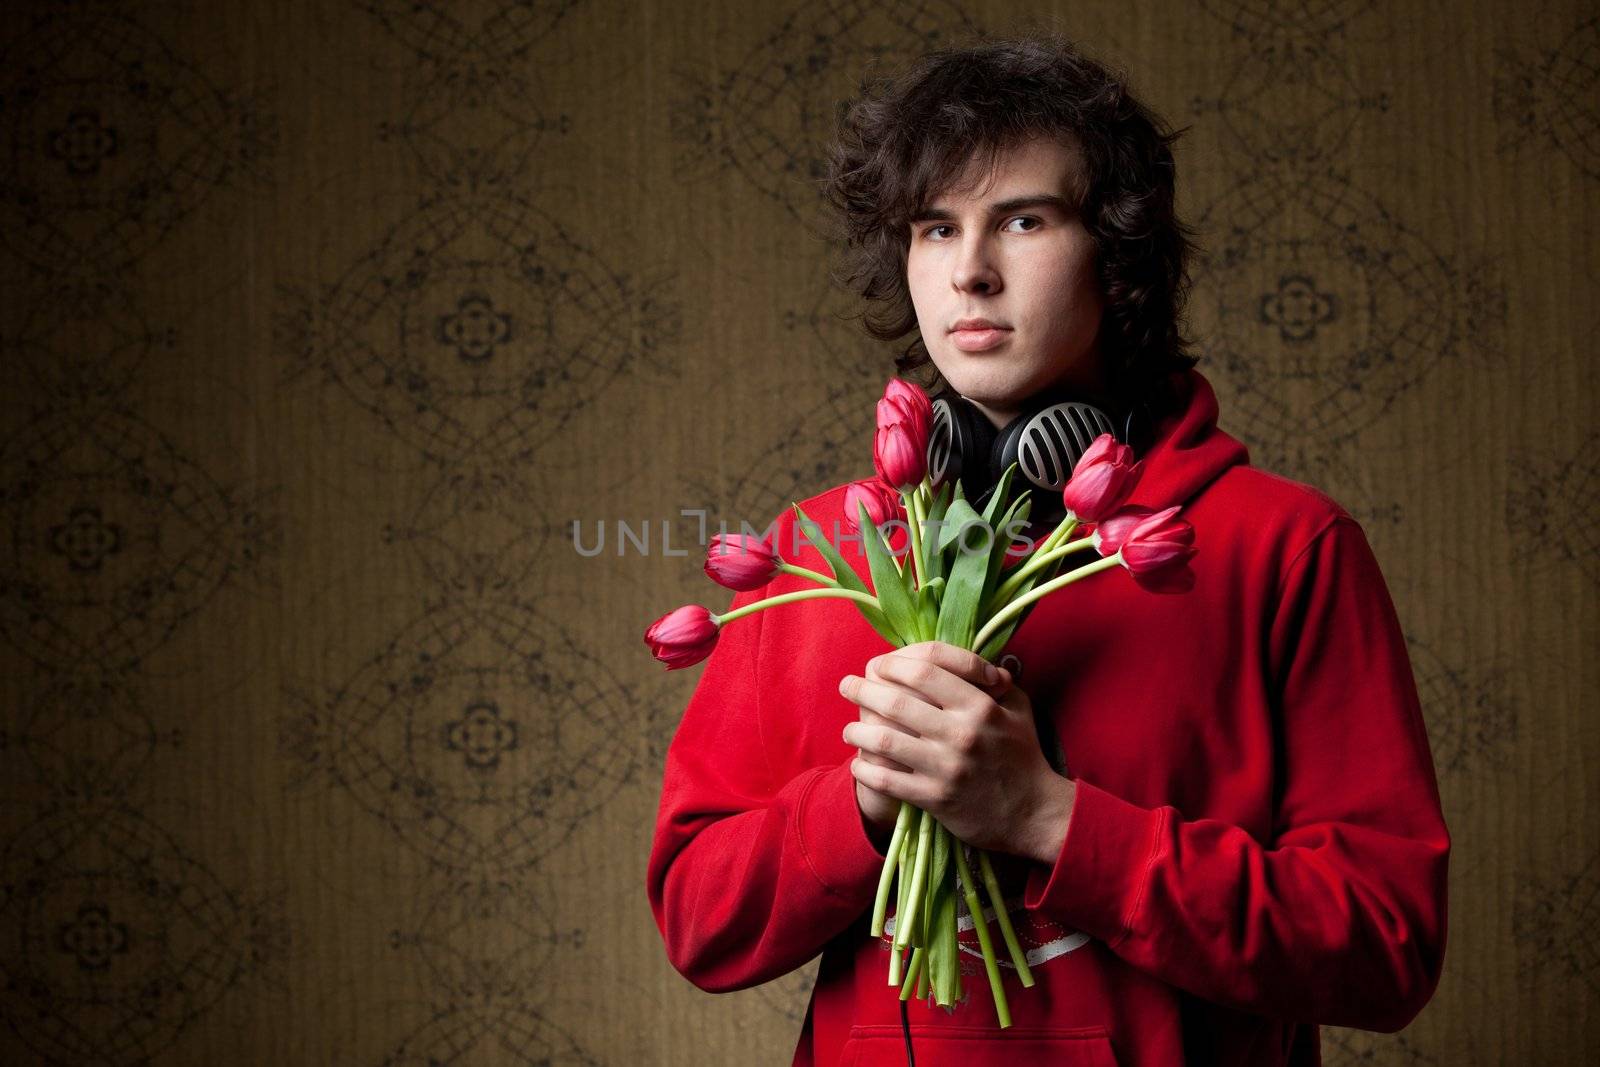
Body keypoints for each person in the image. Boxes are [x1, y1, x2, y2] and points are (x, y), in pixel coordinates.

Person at [646, 32, 1450, 1067]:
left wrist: (1052, 820)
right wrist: (864, 798)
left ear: (1117, 257)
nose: (969, 271)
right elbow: (698, 921)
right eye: (936, 228)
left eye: (1022, 220)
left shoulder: (1286, 546)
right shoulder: (815, 552)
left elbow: (1386, 947)